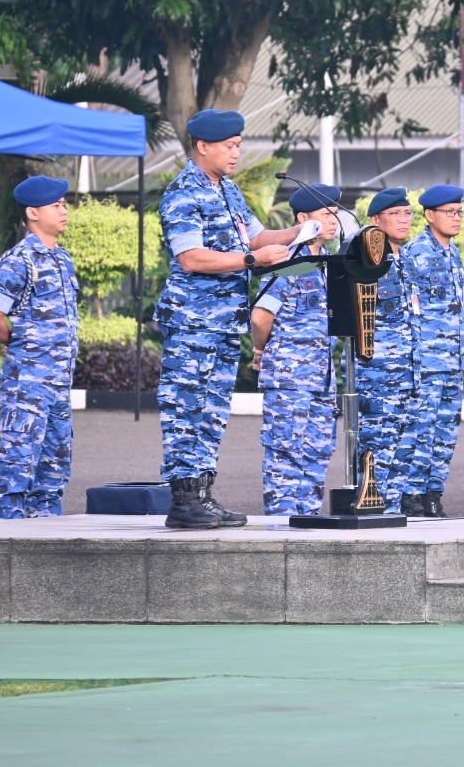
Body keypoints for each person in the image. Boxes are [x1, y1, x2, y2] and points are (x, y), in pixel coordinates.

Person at [155, 109, 298, 530]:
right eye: (229, 146)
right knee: (186, 407)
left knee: (212, 409)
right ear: (203, 146)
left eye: (239, 145)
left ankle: (202, 495)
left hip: (221, 325)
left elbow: (256, 236)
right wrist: (251, 260)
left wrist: (298, 234)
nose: (237, 153)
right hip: (192, 322)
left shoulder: (228, 190)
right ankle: (183, 499)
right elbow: (192, 257)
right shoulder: (184, 193)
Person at [0, 176, 79, 520]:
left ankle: (44, 547)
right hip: (28, 384)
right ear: (33, 213)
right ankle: (3, 543)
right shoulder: (20, 260)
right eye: (56, 205)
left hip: (58, 384)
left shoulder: (62, 259)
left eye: (64, 204)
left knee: (53, 471)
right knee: (17, 469)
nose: (64, 210)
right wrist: (16, 343)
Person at [250, 183, 340, 515]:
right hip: (290, 379)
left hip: (322, 379)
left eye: (334, 213)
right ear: (303, 219)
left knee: (317, 453)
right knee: (286, 453)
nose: (333, 221)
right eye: (324, 214)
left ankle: (307, 524)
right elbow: (261, 317)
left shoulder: (331, 263)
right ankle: (282, 526)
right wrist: (262, 351)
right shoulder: (289, 259)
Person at [393, 184, 464, 518]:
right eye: (450, 213)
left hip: (451, 362)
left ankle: (433, 493)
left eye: (459, 212)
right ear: (429, 215)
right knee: (420, 430)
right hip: (425, 362)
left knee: (445, 432)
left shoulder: (452, 254)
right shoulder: (416, 254)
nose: (456, 219)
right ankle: (411, 494)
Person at [355, 186, 417, 515]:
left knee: (402, 451)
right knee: (376, 447)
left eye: (407, 213)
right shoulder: (367, 261)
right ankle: (372, 514)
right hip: (378, 375)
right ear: (375, 220)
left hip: (406, 374)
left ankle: (392, 514)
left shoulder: (403, 261)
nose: (404, 220)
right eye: (395, 214)